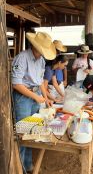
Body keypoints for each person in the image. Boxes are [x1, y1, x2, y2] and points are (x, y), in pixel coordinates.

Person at [12, 32, 56, 173]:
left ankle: (28, 163)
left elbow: (40, 82)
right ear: (35, 46)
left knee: (32, 132)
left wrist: (46, 98)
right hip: (23, 97)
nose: (43, 53)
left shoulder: (41, 60)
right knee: (23, 133)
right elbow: (16, 84)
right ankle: (21, 169)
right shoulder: (22, 57)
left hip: (35, 94)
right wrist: (36, 97)